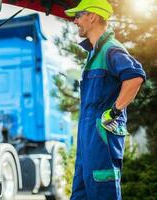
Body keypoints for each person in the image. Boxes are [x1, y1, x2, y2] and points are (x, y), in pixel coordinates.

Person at [64, 0, 146, 199]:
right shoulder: (94, 53)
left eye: (78, 15)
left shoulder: (111, 49)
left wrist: (115, 111)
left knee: (102, 192)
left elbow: (135, 77)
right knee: (81, 193)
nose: (75, 21)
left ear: (92, 16)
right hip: (88, 136)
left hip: (102, 136)